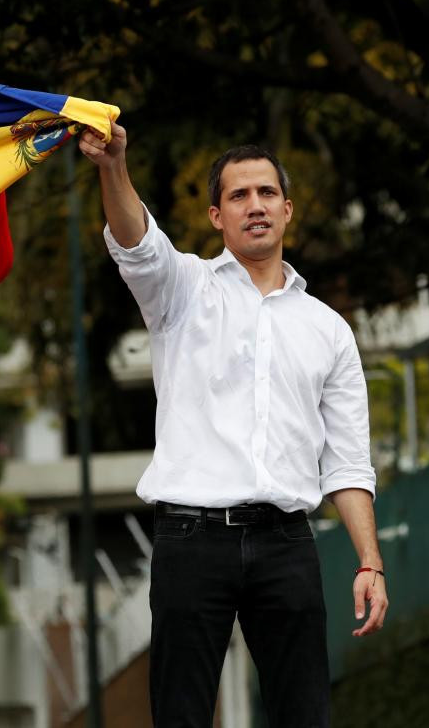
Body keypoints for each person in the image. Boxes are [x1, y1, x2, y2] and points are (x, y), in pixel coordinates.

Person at [78, 122, 389, 728]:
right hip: (192, 542)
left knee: (305, 716)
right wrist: (113, 167)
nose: (256, 206)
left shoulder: (328, 329)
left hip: (287, 544)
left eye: (267, 193)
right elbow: (137, 243)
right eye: (240, 196)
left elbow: (348, 465)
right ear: (217, 216)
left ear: (288, 209)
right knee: (182, 716)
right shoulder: (182, 290)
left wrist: (369, 562)